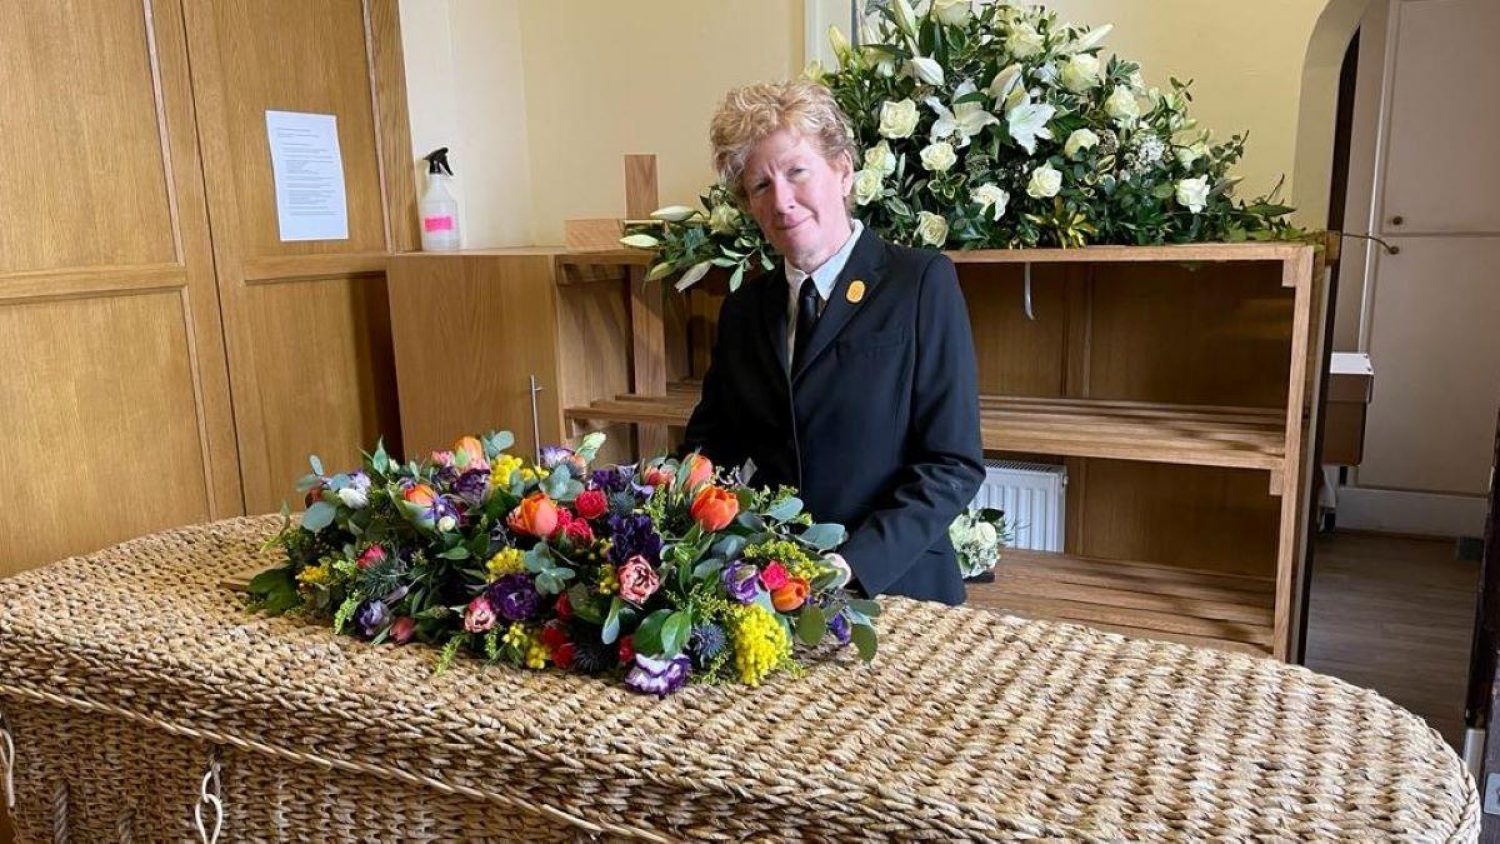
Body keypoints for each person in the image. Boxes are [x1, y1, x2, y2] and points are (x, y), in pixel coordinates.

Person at [680, 80, 984, 605]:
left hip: (897, 586)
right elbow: (710, 453)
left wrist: (852, 565)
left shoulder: (920, 284)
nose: (781, 201)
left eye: (797, 172)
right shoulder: (744, 311)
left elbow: (952, 462)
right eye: (760, 186)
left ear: (843, 171)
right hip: (772, 591)